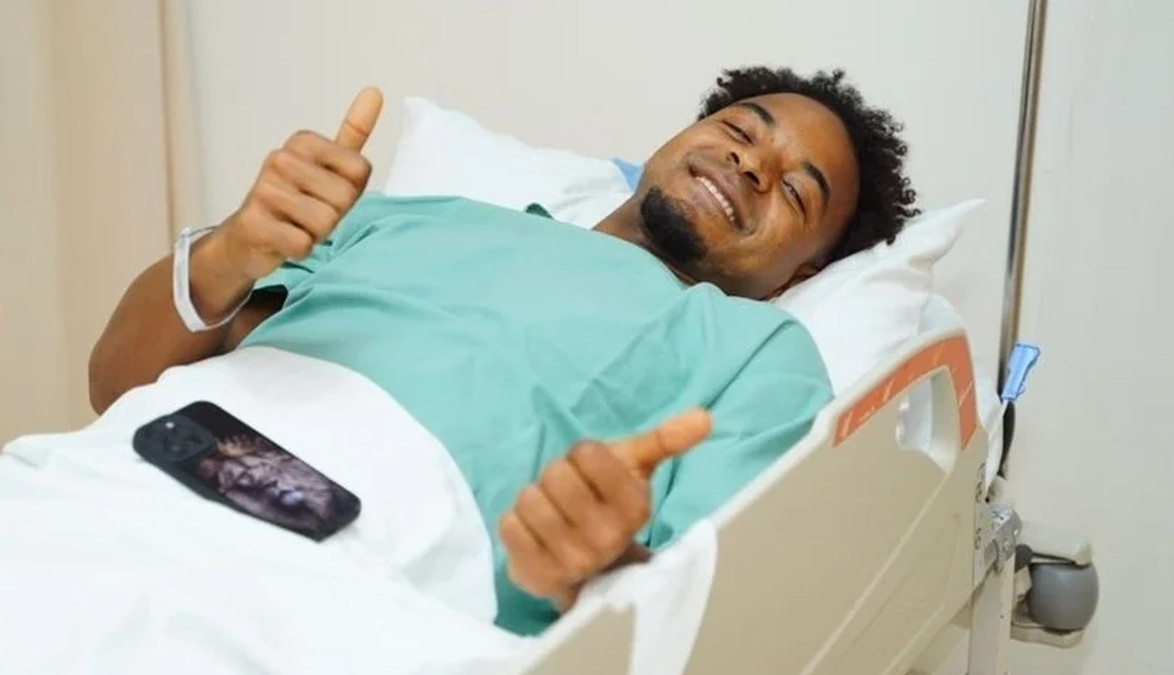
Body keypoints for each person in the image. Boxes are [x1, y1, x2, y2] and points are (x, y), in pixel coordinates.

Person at [87, 66, 916, 635]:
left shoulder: (759, 352)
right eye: (739, 130)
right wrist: (228, 253)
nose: (750, 164)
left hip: (360, 596)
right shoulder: (415, 216)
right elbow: (117, 381)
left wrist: (596, 564)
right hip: (124, 490)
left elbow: (709, 622)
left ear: (802, 273)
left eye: (795, 189)